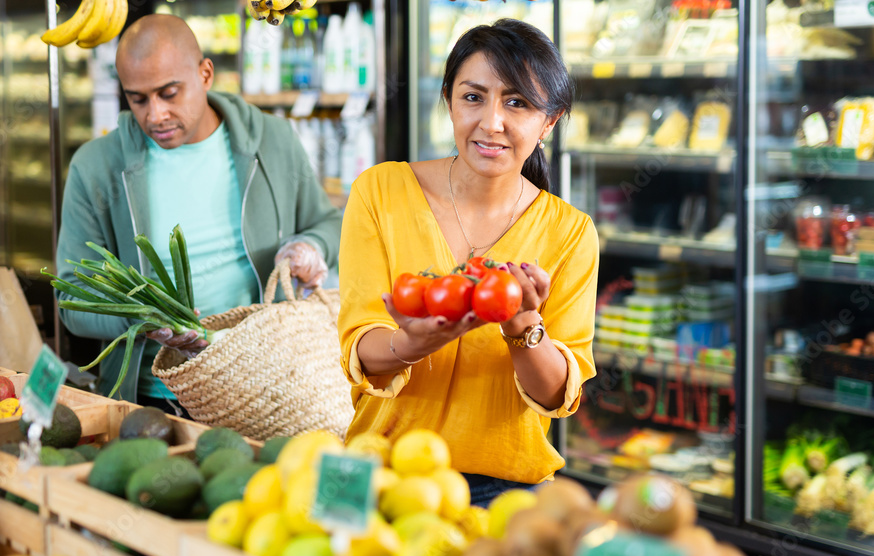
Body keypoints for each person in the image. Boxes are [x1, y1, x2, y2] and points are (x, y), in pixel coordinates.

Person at [337, 19, 598, 506]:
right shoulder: (380, 192)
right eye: (473, 97)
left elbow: (557, 395)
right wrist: (410, 343)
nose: (491, 122)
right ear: (449, 102)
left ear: (549, 123)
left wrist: (523, 325)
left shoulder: (571, 232)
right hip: (377, 472)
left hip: (504, 490)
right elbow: (359, 346)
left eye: (517, 102)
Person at [57, 15, 340, 409]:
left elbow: (327, 223)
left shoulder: (272, 141)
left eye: (169, 93)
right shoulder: (95, 167)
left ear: (206, 74)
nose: (155, 115)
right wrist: (140, 317)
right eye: (138, 99)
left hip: (269, 387)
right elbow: (72, 297)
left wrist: (309, 245)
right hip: (150, 399)